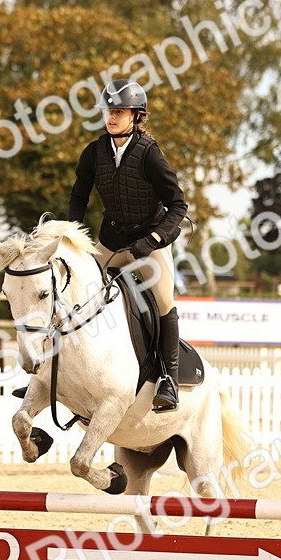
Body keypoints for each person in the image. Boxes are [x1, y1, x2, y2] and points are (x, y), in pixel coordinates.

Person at [70, 78, 187, 412]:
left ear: (137, 116)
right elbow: (79, 196)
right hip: (111, 240)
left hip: (149, 241)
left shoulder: (150, 154)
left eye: (119, 111)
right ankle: (55, 368)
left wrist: (152, 240)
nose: (111, 116)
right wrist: (75, 234)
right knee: (77, 291)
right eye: (109, 110)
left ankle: (169, 380)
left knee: (164, 300)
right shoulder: (94, 152)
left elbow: (178, 205)